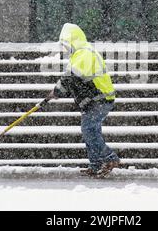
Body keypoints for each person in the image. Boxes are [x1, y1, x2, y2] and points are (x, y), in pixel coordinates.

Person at [47, 23, 120, 177]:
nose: (65, 49)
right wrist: (57, 92)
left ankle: (109, 158)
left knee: (89, 130)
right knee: (92, 131)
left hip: (99, 98)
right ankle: (96, 165)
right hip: (94, 100)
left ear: (72, 40)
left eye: (66, 44)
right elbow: (72, 80)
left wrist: (56, 91)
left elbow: (70, 77)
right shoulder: (80, 54)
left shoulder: (84, 53)